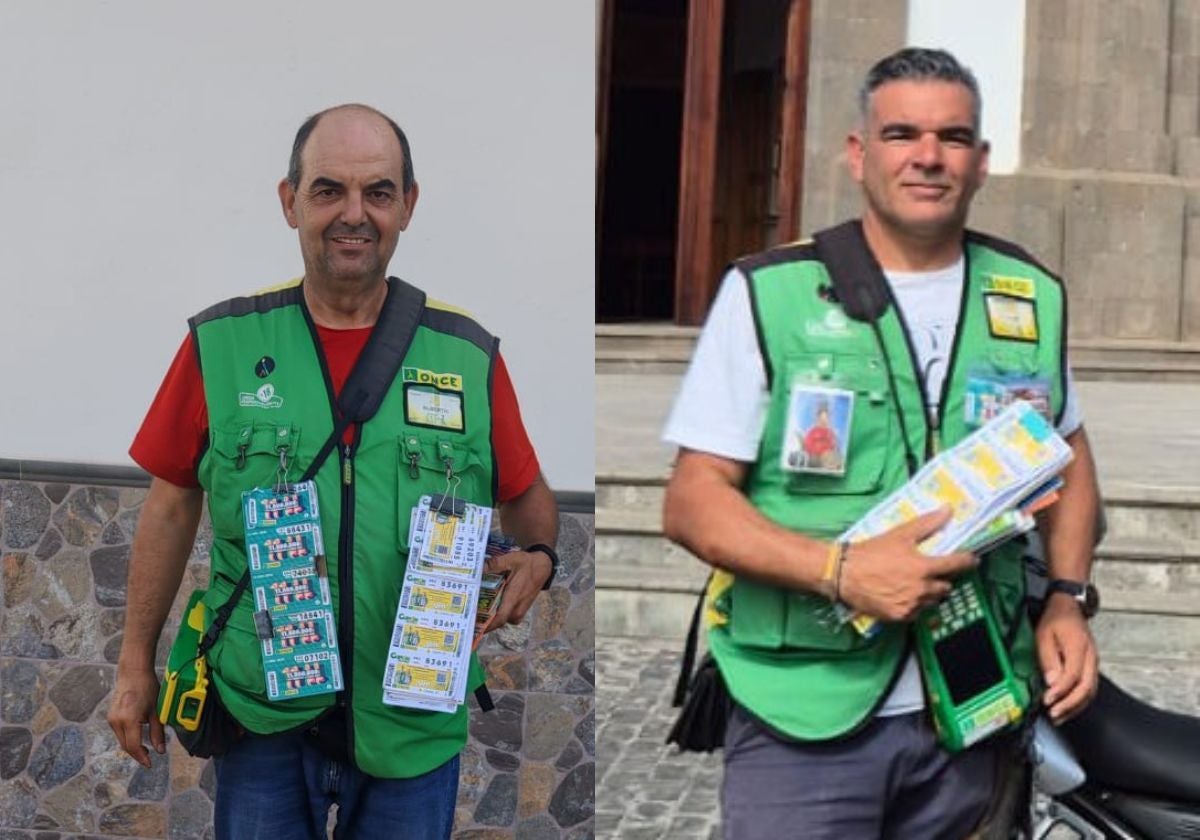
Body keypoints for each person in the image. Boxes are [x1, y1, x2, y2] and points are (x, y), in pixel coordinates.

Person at [662, 48, 1101, 839]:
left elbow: (1070, 455)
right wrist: (841, 572)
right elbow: (693, 502)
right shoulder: (769, 292)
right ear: (858, 153)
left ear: (981, 161)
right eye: (901, 134)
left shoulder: (1030, 294)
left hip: (970, 708)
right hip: (804, 710)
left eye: (952, 137)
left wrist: (1068, 600)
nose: (928, 156)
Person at [106, 103, 560, 840]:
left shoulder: (466, 354)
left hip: (411, 718)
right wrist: (134, 666)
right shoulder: (223, 343)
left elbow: (527, 495)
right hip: (262, 713)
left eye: (378, 192)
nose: (354, 214)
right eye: (328, 191)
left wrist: (539, 557)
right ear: (290, 202)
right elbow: (168, 507)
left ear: (408, 205)